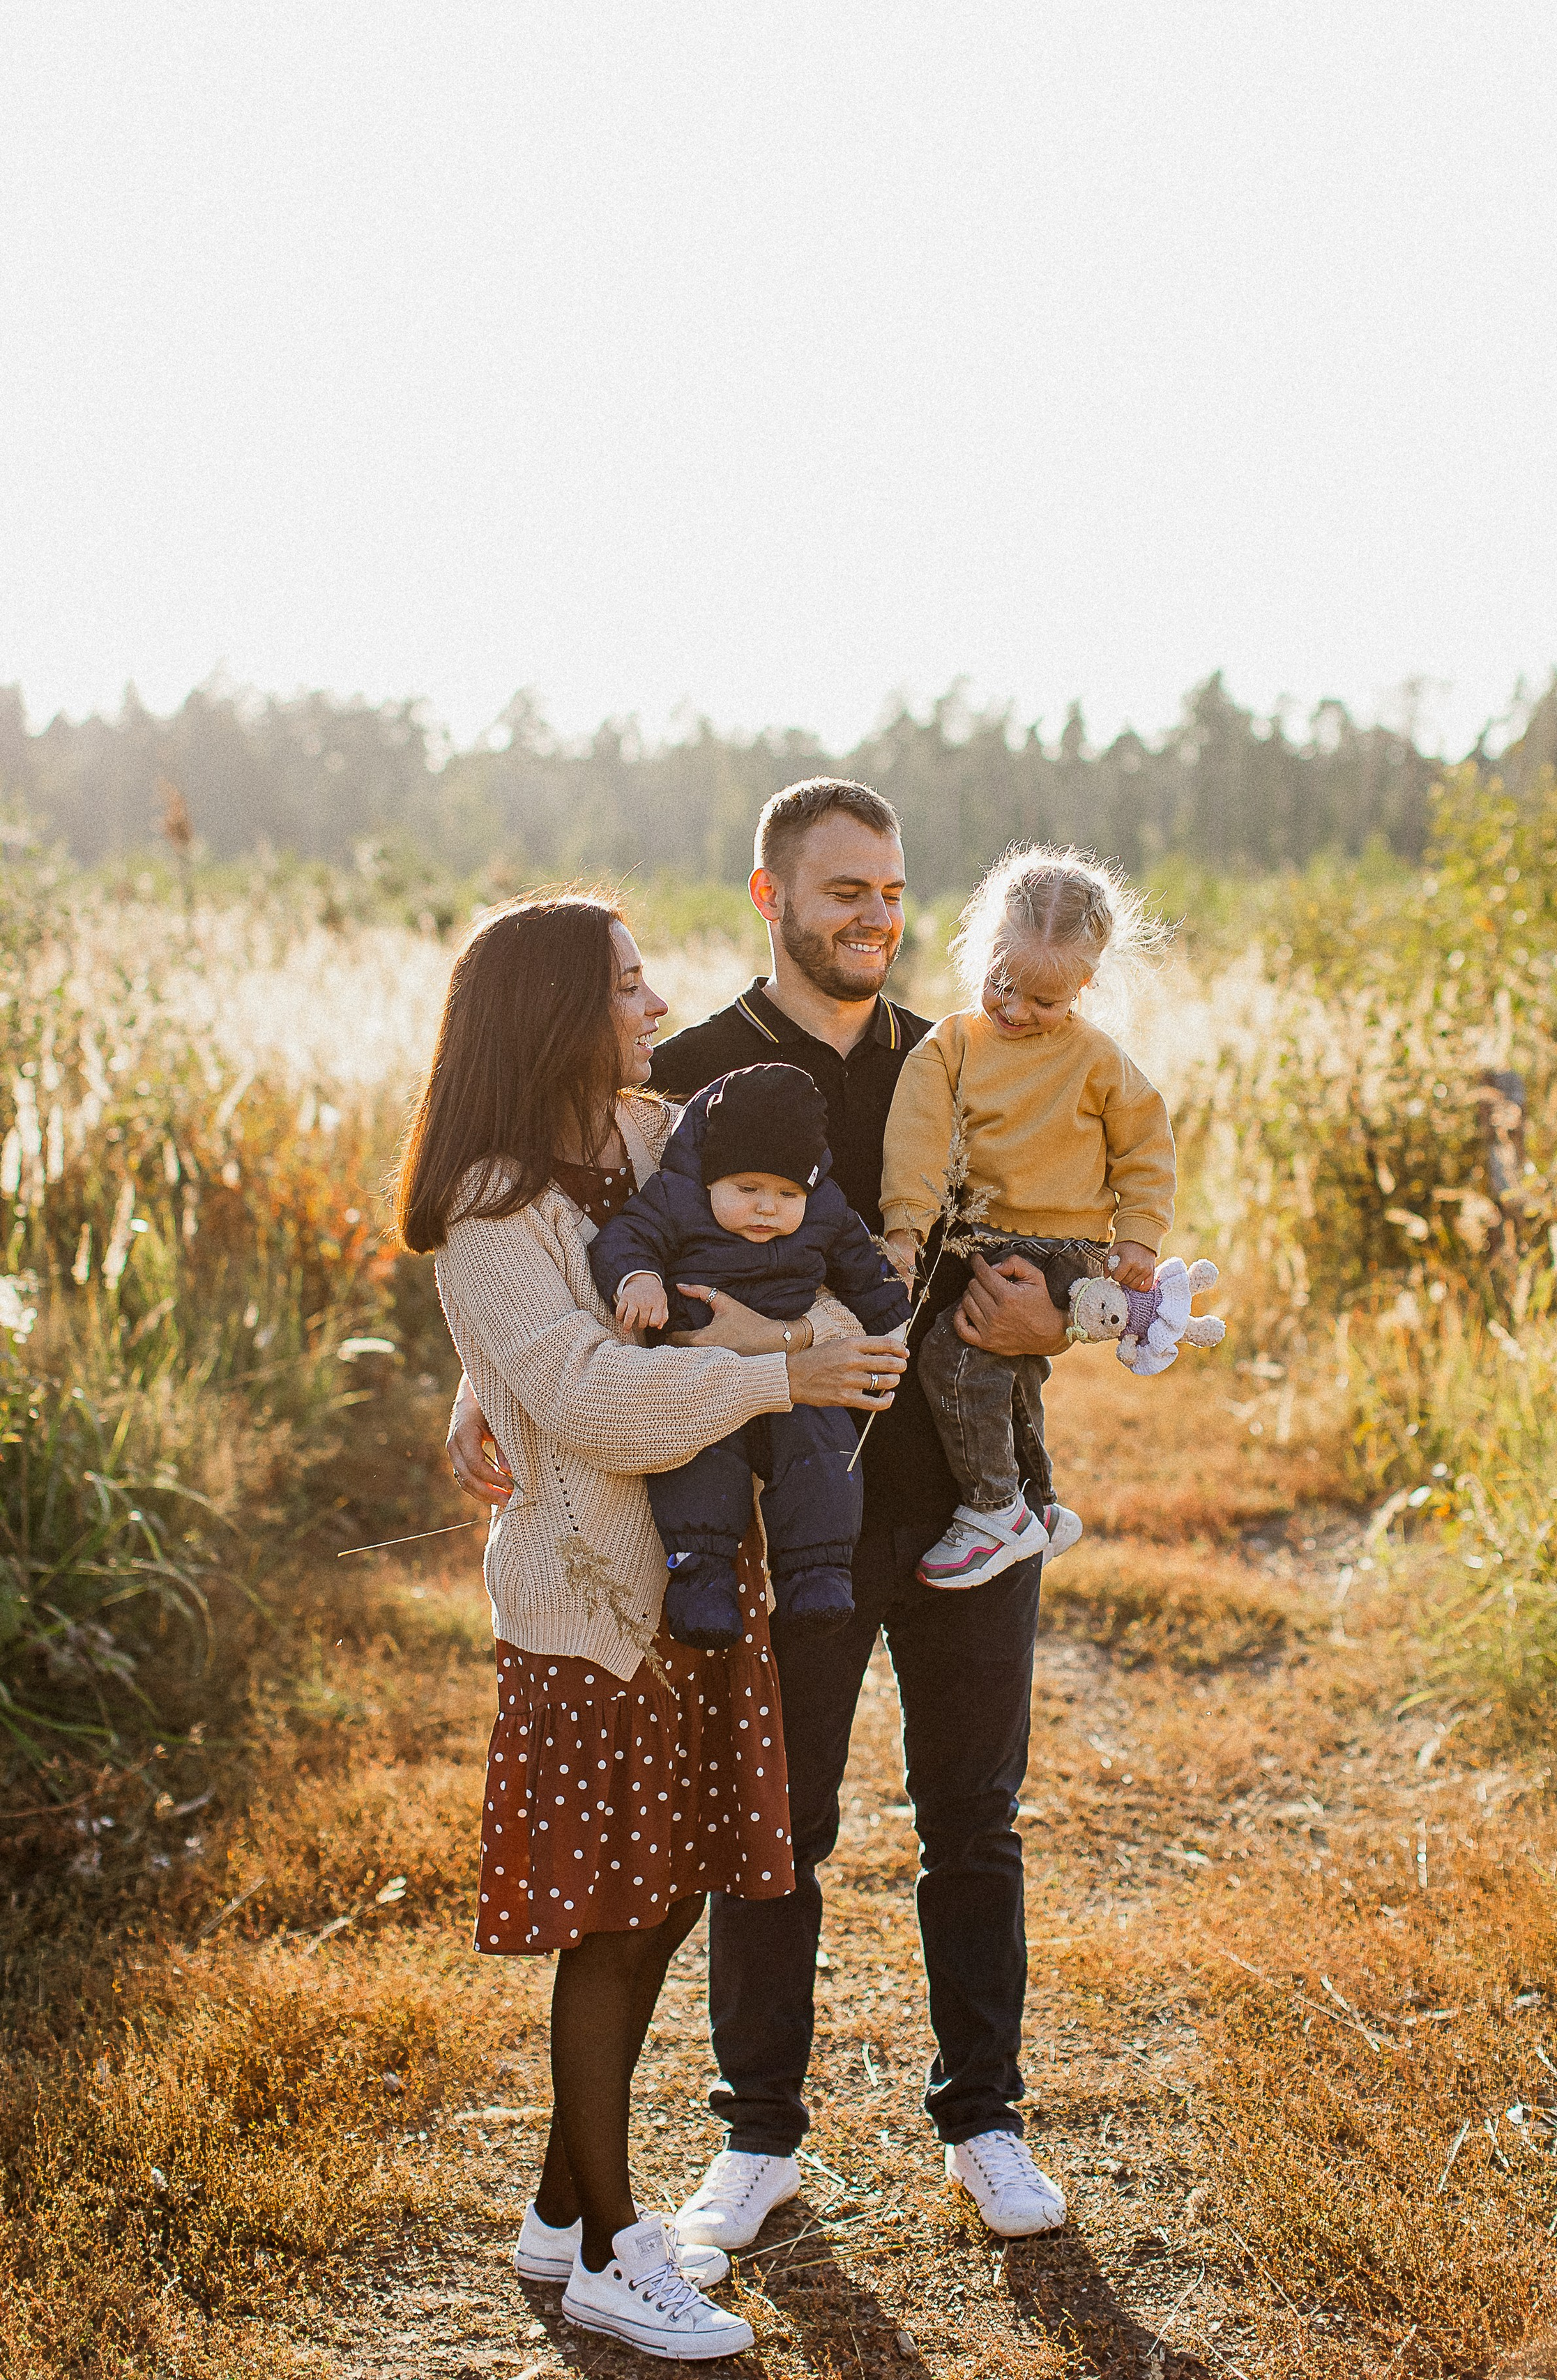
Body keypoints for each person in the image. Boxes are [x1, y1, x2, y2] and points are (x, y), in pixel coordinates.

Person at [448, 781, 1074, 2255]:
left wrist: (1062, 1317)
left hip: (971, 1505)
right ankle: (756, 2136)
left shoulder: (964, 1062)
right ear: (769, 897)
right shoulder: (689, 1076)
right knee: (773, 1829)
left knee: (972, 1818)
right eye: (841, 888)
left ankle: (983, 2116)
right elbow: (570, 1265)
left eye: (891, 889)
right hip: (775, 1517)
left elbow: (1067, 1228)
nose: (871, 914)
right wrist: (477, 1390)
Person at [402, 891, 906, 2358]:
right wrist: (775, 1379)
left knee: (675, 1884)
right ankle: (621, 2249)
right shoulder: (489, 1200)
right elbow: (580, 1388)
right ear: (556, 1012)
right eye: (626, 985)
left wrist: (477, 1394)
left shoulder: (646, 1139)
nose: (651, 1003)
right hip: (594, 1609)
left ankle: (565, 2212)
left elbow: (762, 1265)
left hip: (701, 1580)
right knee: (614, 1922)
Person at [881, 847, 1176, 1591]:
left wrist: (1139, 1237)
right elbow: (914, 1139)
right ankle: (1040, 1504)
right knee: (1009, 1376)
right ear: (981, 950)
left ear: (1085, 984)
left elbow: (1143, 1146)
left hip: (1067, 1249)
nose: (1015, 1011)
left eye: (1045, 1002)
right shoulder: (950, 1046)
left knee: (955, 1358)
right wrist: (905, 1228)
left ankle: (994, 1509)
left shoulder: (1097, 1059)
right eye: (1002, 985)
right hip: (984, 1237)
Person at [588, 1060, 910, 1646]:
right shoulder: (674, 1198)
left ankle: (818, 1573)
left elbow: (868, 1277)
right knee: (699, 1463)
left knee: (824, 1453)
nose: (767, 1208)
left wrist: (896, 1323)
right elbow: (625, 1237)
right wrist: (638, 1278)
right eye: (748, 1189)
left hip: (798, 1380)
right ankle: (701, 1581)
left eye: (788, 1193)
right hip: (703, 1371)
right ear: (711, 1176)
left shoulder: (826, 1211)